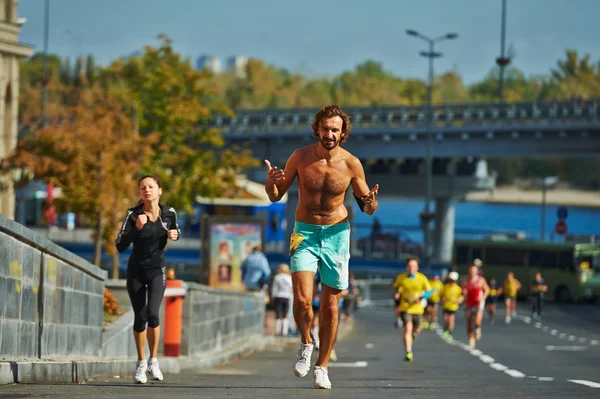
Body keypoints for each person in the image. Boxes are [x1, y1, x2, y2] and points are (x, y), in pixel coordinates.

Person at [264, 104, 379, 389]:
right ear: (317, 129)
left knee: (330, 305)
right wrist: (270, 185)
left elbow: (369, 208)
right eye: (325, 128)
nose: (329, 134)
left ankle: (323, 366)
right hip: (304, 233)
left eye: (335, 129)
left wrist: (370, 202)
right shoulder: (300, 157)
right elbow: (276, 197)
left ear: (343, 132)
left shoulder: (351, 164)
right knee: (302, 298)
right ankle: (306, 342)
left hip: (337, 235)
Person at [115, 175, 181, 384]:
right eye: (143, 188)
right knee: (140, 317)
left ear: (159, 190)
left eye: (151, 187)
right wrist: (137, 229)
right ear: (140, 193)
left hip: (156, 270)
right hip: (135, 271)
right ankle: (141, 362)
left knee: (153, 313)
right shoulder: (133, 215)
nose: (147, 190)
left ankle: (154, 359)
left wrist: (175, 234)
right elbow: (120, 245)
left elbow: (175, 228)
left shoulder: (169, 212)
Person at [393, 257, 432, 362]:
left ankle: (414, 334)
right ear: (407, 267)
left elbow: (429, 292)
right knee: (407, 329)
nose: (411, 268)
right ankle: (408, 351)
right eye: (409, 266)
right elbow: (396, 288)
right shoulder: (401, 278)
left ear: (417, 267)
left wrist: (421, 298)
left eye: (413, 266)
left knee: (416, 330)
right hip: (405, 308)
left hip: (418, 309)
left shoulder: (422, 278)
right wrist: (396, 294)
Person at [462, 264, 490, 348]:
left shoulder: (481, 280)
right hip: (468, 303)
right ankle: (471, 339)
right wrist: (463, 293)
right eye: (471, 271)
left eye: (474, 271)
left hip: (478, 303)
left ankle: (478, 329)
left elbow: (487, 290)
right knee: (469, 322)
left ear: (476, 271)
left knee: (477, 322)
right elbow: (463, 291)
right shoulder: (465, 281)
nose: (472, 272)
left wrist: (483, 297)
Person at [271, 263, 294, 336]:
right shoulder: (289, 277)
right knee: (285, 314)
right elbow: (291, 288)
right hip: (287, 297)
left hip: (278, 296)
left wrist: (272, 297)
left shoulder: (277, 277)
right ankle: (284, 331)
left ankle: (278, 331)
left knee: (278, 314)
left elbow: (274, 288)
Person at [441, 271, 463, 339]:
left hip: (453, 307)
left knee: (451, 320)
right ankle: (445, 329)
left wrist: (459, 300)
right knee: (445, 319)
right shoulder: (445, 287)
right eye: (451, 280)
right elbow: (441, 295)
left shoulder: (458, 288)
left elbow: (461, 296)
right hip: (446, 306)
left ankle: (450, 332)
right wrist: (443, 299)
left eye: (453, 280)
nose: (451, 281)